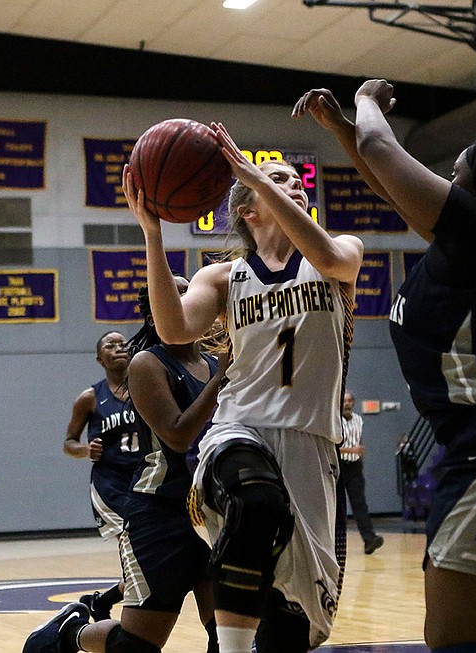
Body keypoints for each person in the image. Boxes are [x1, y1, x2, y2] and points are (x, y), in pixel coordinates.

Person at [294, 82, 476, 653]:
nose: (446, 185)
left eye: (456, 176)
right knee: (450, 638)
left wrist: (368, 102)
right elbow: (387, 180)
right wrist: (341, 133)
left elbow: (384, 152)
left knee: (457, 644)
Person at [129, 124, 362, 653]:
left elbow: (330, 259)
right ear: (248, 211)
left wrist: (257, 176)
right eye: (276, 180)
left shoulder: (338, 252)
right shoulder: (222, 277)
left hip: (312, 442)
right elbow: (172, 330)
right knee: (255, 502)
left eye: (296, 181)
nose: (295, 184)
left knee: (291, 629)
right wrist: (153, 232)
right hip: (240, 427)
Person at [24, 280, 229, 653]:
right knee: (136, 646)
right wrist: (221, 380)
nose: (192, 301)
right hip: (160, 514)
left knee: (229, 635)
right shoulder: (147, 362)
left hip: (211, 511)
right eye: (178, 296)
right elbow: (178, 437)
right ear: (156, 313)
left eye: (193, 294)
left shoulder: (215, 363)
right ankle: (69, 633)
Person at [63, 330, 139, 620]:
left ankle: (102, 601)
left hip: (144, 477)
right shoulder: (91, 397)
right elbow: (68, 442)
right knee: (138, 548)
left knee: (149, 556)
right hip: (112, 485)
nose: (119, 347)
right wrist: (85, 450)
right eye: (111, 345)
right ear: (100, 358)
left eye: (123, 343)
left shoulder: (147, 386)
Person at [339, 390, 384, 555]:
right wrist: (352, 449)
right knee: (336, 507)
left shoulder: (358, 419)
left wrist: (358, 456)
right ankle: (333, 543)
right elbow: (333, 447)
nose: (347, 403)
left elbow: (358, 442)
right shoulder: (334, 421)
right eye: (344, 401)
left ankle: (369, 539)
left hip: (354, 467)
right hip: (338, 467)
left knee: (360, 505)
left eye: (350, 400)